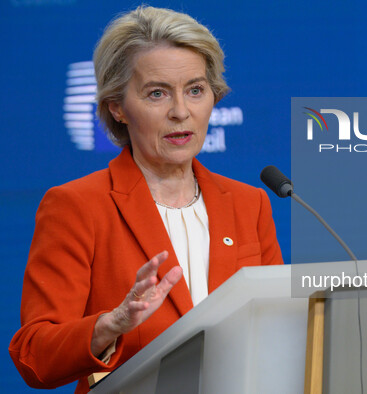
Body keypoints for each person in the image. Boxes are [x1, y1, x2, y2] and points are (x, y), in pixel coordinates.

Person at [9, 6, 283, 393]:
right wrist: (110, 326)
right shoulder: (77, 205)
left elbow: (275, 328)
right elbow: (34, 357)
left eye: (195, 90)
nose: (180, 112)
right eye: (157, 93)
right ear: (117, 107)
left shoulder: (248, 203)